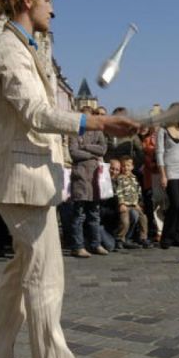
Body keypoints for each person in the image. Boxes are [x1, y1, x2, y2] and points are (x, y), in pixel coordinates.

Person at [0, 0, 138, 358]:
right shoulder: (9, 50)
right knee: (44, 274)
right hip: (22, 178)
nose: (53, 9)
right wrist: (97, 121)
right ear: (27, 0)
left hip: (29, 177)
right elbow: (37, 113)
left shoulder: (23, 47)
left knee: (21, 271)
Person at [68, 106, 108, 258]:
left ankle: (95, 244)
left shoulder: (98, 132)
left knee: (94, 214)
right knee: (79, 214)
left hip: (95, 178)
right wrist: (92, 155)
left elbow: (103, 149)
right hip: (80, 177)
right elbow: (73, 153)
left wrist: (85, 147)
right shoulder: (74, 132)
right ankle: (78, 246)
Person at [156, 119, 179, 249]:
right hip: (170, 171)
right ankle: (166, 236)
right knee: (175, 204)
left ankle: (175, 235)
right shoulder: (163, 131)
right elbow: (159, 153)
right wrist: (163, 174)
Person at [114, 156, 150, 248]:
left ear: (132, 167)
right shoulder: (119, 178)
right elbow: (118, 191)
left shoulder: (135, 178)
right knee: (125, 221)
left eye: (128, 165)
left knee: (143, 218)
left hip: (134, 204)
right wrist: (121, 203)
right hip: (124, 205)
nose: (126, 168)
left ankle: (143, 238)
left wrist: (139, 203)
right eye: (123, 166)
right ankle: (120, 239)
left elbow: (138, 191)